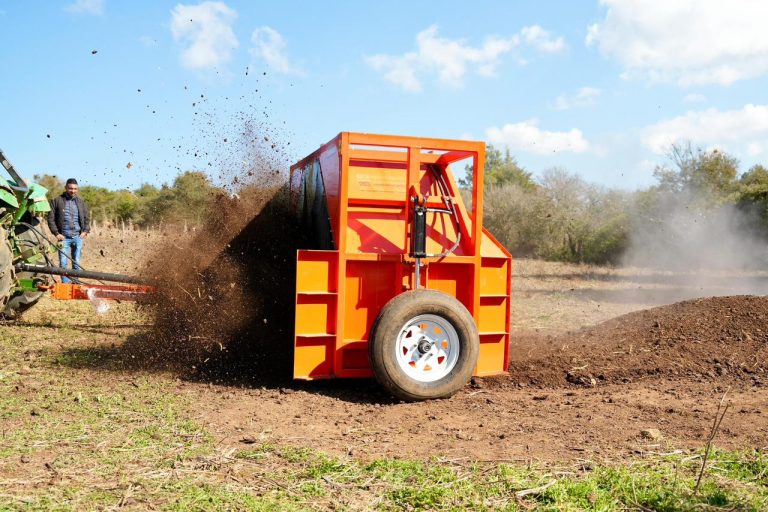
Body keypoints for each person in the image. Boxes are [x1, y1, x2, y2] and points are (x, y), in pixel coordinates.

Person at [47, 178, 90, 283]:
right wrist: (56, 233)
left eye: (75, 189)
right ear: (66, 188)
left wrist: (85, 231)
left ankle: (75, 282)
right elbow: (50, 219)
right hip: (63, 238)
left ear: (77, 189)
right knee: (63, 263)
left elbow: (86, 218)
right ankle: (65, 285)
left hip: (77, 237)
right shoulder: (56, 201)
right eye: (70, 188)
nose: (73, 191)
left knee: (76, 262)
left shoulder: (81, 202)